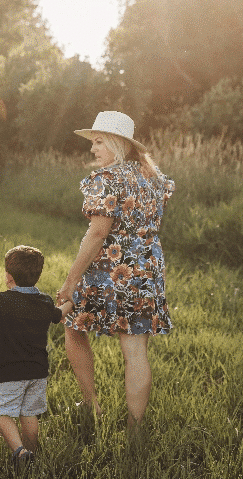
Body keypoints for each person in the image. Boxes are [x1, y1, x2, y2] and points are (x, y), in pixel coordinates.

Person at [55, 111, 175, 433]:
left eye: (98, 142)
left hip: (110, 270)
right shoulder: (152, 177)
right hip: (147, 269)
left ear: (117, 144)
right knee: (135, 351)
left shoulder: (107, 179)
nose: (92, 149)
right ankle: (136, 429)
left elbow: (97, 234)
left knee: (72, 324)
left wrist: (70, 282)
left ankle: (91, 404)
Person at [0, 245, 74, 468]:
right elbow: (60, 313)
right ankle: (31, 454)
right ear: (38, 275)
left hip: (9, 370)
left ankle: (19, 451)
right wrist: (70, 301)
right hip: (37, 371)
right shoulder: (44, 302)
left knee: (2, 413)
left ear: (8, 277)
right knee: (30, 413)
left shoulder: (5, 301)